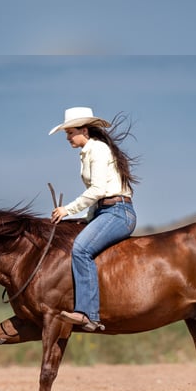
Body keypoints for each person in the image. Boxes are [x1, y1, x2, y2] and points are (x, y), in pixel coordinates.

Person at [49, 106, 139, 332]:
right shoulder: (89, 151)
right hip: (105, 211)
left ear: (84, 130)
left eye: (70, 132)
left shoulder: (97, 150)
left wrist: (67, 210)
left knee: (80, 249)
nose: (67, 137)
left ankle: (88, 313)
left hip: (117, 212)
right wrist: (82, 218)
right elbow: (99, 198)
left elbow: (98, 190)